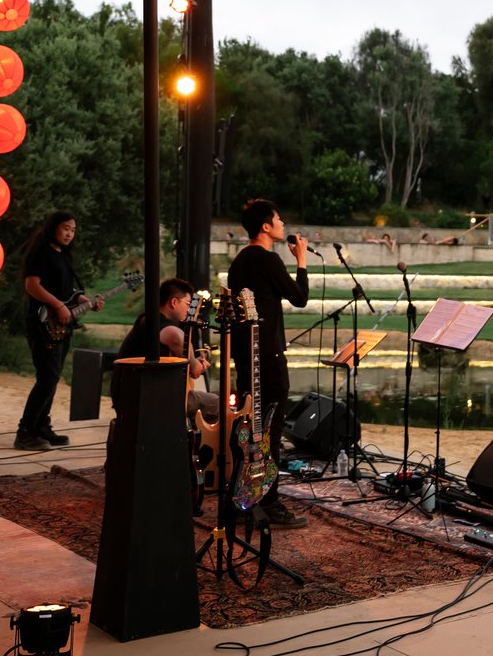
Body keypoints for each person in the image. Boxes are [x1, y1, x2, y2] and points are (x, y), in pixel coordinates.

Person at [225, 198, 310, 527]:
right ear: (265, 226)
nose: (283, 224)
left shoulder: (240, 261)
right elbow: (299, 297)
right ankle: (270, 503)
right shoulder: (267, 259)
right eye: (279, 219)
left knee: (252, 428)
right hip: (269, 359)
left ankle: (247, 496)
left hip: (247, 356)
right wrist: (301, 260)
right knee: (270, 431)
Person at [16, 211, 103, 450]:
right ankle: (25, 432)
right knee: (48, 377)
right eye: (66, 228)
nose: (69, 234)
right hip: (42, 323)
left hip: (61, 327)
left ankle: (42, 427)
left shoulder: (62, 256)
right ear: (53, 228)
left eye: (73, 230)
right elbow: (31, 285)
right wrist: (58, 305)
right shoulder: (42, 252)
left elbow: (67, 292)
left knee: (52, 378)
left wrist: (87, 301)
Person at [115, 277, 219, 420]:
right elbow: (178, 341)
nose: (189, 309)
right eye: (188, 304)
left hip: (136, 394)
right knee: (217, 404)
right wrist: (199, 365)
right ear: (174, 302)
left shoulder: (147, 319)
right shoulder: (164, 327)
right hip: (148, 398)